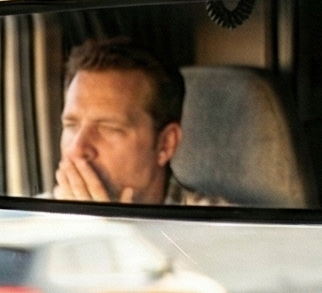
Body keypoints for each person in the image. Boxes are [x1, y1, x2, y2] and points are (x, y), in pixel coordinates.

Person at [48, 38, 232, 207]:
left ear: (165, 144)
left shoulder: (222, 230)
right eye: (71, 126)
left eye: (109, 128)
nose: (77, 149)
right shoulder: (36, 219)